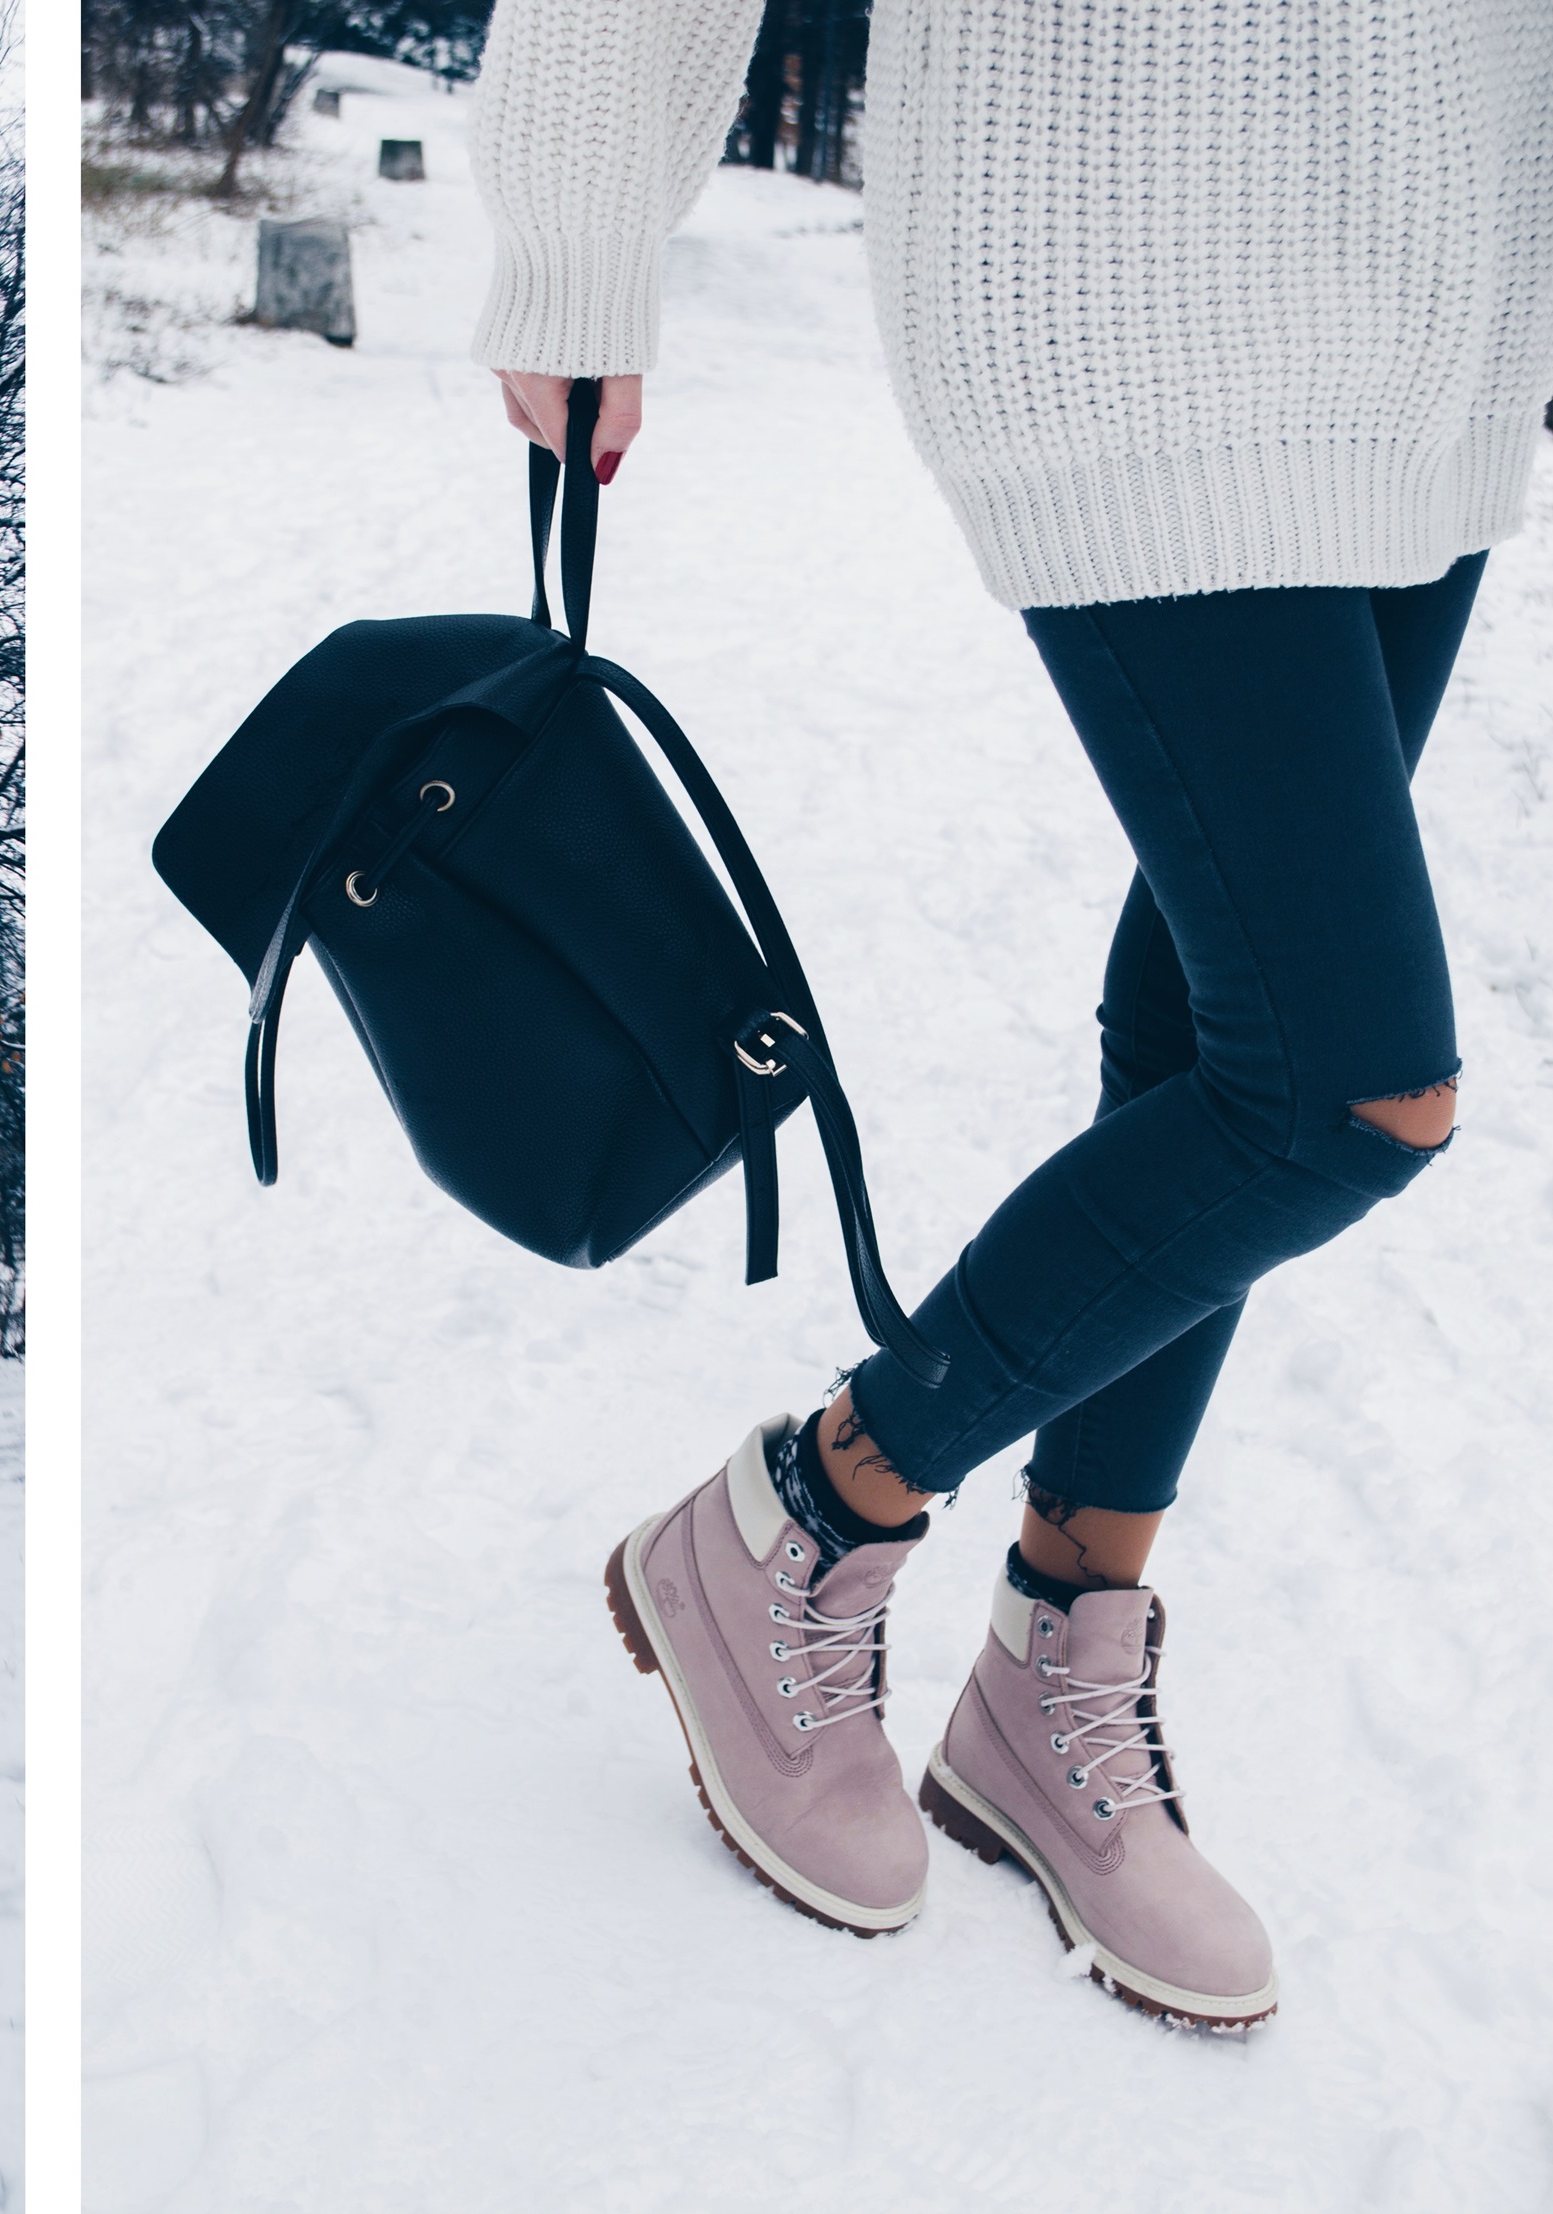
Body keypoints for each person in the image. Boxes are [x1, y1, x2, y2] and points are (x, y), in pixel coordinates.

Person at [471, 0, 1553, 2026]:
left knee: (1220, 1025)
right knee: (1350, 1090)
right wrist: (578, 225)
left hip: (1450, 291)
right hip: (1133, 241)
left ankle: (1059, 1659)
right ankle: (808, 1512)